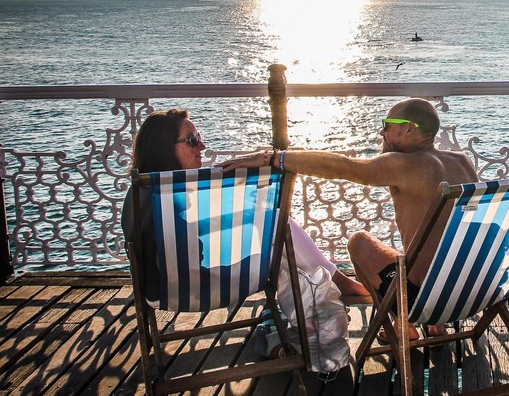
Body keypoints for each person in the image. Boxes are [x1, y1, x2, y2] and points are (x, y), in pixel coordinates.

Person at [220, 98, 478, 338]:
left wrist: (272, 157)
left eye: (387, 125)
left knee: (359, 242)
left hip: (425, 299)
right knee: (427, 248)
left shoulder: (403, 164)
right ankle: (435, 324)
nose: (382, 132)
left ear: (410, 128)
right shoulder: (462, 162)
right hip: (475, 290)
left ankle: (402, 326)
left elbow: (343, 167)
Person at [122, 109, 367, 304]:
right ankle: (337, 290)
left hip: (159, 294)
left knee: (274, 228)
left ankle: (320, 298)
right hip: (195, 289)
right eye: (193, 140)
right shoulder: (171, 195)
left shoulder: (143, 193)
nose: (202, 147)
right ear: (165, 147)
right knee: (279, 230)